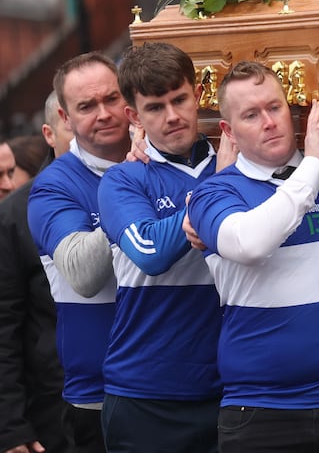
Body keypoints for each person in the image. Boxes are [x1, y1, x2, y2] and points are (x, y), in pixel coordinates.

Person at [185, 61, 319, 453]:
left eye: (274, 107)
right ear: (228, 131)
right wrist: (315, 165)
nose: (269, 122)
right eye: (251, 115)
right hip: (263, 414)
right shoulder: (213, 193)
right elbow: (249, 243)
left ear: (294, 109)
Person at [96, 42, 225, 453]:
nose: (172, 116)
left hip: (235, 394)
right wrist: (221, 188)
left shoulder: (236, 164)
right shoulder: (123, 180)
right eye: (154, 108)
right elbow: (151, 252)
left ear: (198, 96)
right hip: (146, 398)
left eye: (180, 99)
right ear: (133, 116)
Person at [28, 52, 133, 453]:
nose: (104, 114)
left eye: (111, 98)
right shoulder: (54, 186)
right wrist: (131, 191)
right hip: (100, 398)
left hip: (189, 385)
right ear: (65, 119)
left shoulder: (170, 162)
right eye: (87, 106)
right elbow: (84, 277)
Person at [0, 91, 74, 453]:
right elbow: (4, 326)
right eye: (72, 119)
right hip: (54, 412)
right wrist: (10, 425)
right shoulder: (16, 214)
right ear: (50, 133)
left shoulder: (134, 189)